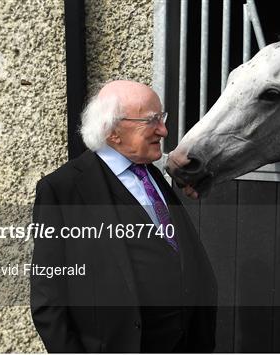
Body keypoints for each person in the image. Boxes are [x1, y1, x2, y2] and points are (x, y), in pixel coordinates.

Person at [30, 80, 217, 353]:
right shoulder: (63, 190)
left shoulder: (152, 172)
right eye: (152, 121)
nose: (163, 130)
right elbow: (48, 297)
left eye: (161, 118)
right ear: (113, 132)